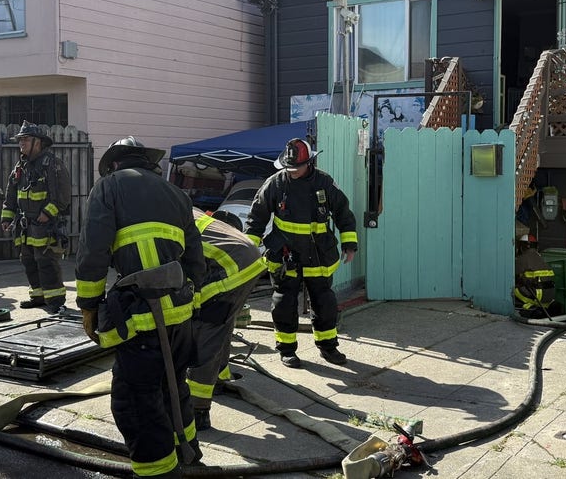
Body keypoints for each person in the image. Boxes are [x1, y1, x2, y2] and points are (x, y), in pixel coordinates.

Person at [77, 136, 206, 479]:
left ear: (115, 164)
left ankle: (157, 472)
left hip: (142, 319)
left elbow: (93, 252)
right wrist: (190, 300)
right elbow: (195, 257)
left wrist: (88, 306)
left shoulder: (108, 188)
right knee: (174, 386)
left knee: (135, 401)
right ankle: (187, 452)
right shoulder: (175, 193)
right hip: (179, 317)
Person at [246, 137, 358, 369]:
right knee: (284, 303)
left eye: (297, 167)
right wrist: (247, 249)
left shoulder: (325, 183)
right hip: (286, 255)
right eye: (289, 168)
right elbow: (256, 217)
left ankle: (328, 347)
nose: (292, 172)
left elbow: (343, 214)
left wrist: (349, 244)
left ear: (310, 163)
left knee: (324, 302)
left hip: (319, 255)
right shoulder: (275, 184)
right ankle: (287, 350)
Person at [185, 208, 265, 431]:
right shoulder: (184, 209)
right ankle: (220, 376)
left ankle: (197, 409)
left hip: (233, 267)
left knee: (206, 330)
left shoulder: (165, 217)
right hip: (249, 261)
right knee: (222, 321)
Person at [1, 122, 72, 314]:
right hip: (26, 226)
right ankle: (38, 297)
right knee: (29, 261)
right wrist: (6, 217)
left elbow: (63, 197)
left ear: (38, 142)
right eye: (20, 140)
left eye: (25, 140)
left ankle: (56, 300)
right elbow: (10, 195)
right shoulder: (20, 166)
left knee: (47, 262)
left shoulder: (53, 165)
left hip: (46, 225)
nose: (21, 143)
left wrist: (47, 213)